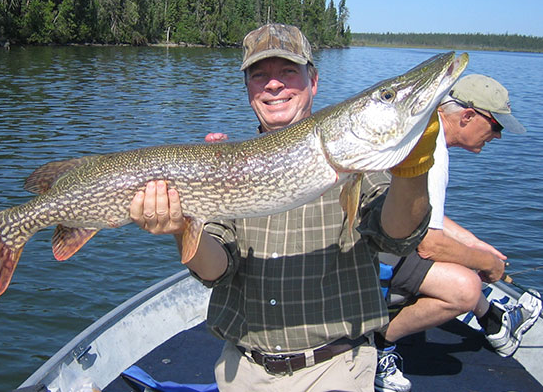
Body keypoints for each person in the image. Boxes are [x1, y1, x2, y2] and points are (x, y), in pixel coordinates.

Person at [129, 23, 436, 392]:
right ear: (248, 91)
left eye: (288, 72)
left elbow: (397, 238)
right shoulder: (223, 168)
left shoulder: (361, 164)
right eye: (260, 76)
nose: (273, 85)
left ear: (314, 82)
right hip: (242, 371)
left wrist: (412, 171)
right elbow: (216, 272)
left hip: (335, 368)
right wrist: (181, 228)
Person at [373, 74, 542, 392]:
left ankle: (492, 317)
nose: (498, 137)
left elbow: (416, 211)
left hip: (372, 246)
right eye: (496, 126)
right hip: (368, 265)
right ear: (467, 116)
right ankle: (379, 342)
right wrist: (486, 264)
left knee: (467, 255)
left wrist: (474, 244)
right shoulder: (431, 151)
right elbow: (430, 245)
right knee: (465, 287)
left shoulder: (420, 128)